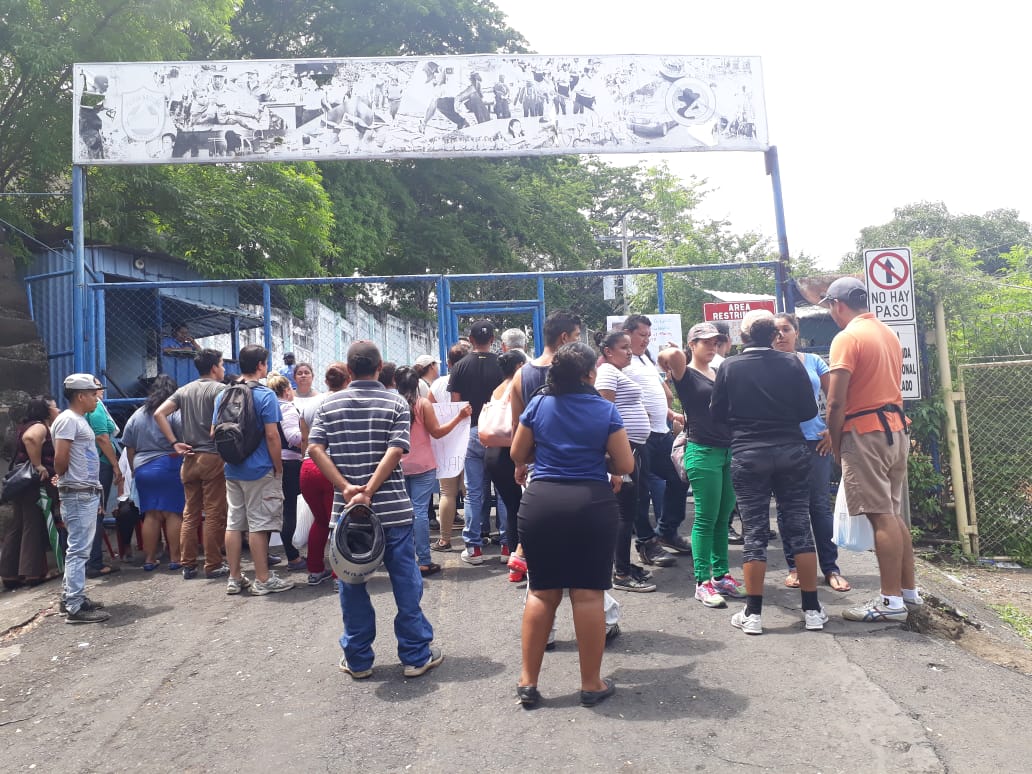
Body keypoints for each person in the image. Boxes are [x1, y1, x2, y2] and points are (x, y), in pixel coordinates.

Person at [308, 340, 442, 680]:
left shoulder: (329, 405)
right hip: (394, 511)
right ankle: (415, 655)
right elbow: (397, 449)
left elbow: (315, 448)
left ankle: (358, 660)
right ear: (380, 367)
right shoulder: (395, 402)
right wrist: (370, 489)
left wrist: (348, 488)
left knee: (351, 586)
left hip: (348, 516)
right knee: (406, 583)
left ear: (349, 370)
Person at [510, 342, 633, 708]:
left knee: (541, 592)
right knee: (588, 593)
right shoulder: (604, 410)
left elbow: (517, 454)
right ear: (587, 374)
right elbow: (625, 465)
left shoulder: (539, 404)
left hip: (542, 502)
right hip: (591, 503)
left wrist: (546, 452)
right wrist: (598, 458)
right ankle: (590, 684)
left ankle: (528, 682)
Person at [710, 311, 824, 635]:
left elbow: (716, 413)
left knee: (755, 533)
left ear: (744, 338)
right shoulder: (791, 363)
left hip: (748, 454)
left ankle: (753, 614)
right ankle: (813, 610)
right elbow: (808, 411)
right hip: (791, 450)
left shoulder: (729, 366)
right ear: (774, 337)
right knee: (800, 526)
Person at [823, 277, 918, 622]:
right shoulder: (887, 333)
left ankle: (890, 602)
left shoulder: (847, 337)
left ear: (837, 304)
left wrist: (834, 441)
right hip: (894, 429)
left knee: (881, 515)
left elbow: (835, 401)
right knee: (892, 513)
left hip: (864, 432)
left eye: (830, 308)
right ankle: (909, 593)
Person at [659, 323, 742, 608]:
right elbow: (669, 356)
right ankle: (702, 581)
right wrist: (671, 351)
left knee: (722, 518)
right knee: (706, 519)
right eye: (704, 341)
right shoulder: (686, 374)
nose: (711, 346)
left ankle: (721, 575)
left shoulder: (719, 372)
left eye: (715, 341)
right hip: (702, 451)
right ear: (691, 344)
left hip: (727, 451)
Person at [774, 313, 850, 592]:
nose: (780, 334)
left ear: (796, 333)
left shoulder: (814, 361)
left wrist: (832, 431)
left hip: (815, 441)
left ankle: (830, 568)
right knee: (787, 507)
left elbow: (836, 398)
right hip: (780, 443)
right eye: (775, 330)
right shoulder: (765, 363)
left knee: (818, 506)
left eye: (786, 329)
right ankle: (794, 566)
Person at [213, 345, 293, 596]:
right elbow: (272, 436)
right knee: (259, 524)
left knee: (234, 524)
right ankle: (263, 579)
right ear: (260, 365)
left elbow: (214, 432)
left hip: (232, 468)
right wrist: (278, 466)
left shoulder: (223, 394)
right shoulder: (266, 395)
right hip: (259, 469)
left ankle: (235, 578)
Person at [154, 348, 230, 580]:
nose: (224, 368)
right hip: (212, 456)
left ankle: (188, 564)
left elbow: (159, 413)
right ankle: (213, 563)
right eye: (222, 364)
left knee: (191, 513)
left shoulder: (183, 391)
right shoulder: (220, 390)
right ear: (215, 367)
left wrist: (175, 442)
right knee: (215, 513)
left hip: (189, 458)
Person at [621, 314, 688, 566]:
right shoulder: (619, 361)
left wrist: (671, 413)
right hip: (639, 437)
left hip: (661, 433)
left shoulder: (643, 359)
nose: (645, 340)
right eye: (641, 335)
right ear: (627, 333)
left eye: (648, 336)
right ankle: (647, 544)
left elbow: (653, 393)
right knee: (639, 493)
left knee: (679, 477)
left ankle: (667, 532)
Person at [594, 330, 657, 592]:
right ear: (608, 351)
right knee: (624, 512)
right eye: (623, 347)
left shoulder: (615, 371)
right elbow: (604, 415)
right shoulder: (607, 372)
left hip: (630, 449)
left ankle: (624, 565)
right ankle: (620, 574)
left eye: (630, 347)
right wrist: (613, 462)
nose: (629, 351)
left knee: (629, 511)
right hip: (622, 452)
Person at [395, 366, 472, 576]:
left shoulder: (393, 405)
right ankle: (424, 559)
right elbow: (437, 433)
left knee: (402, 512)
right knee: (419, 511)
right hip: (423, 465)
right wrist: (458, 418)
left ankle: (404, 559)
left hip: (397, 465)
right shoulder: (422, 405)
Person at [53, 373, 110, 623]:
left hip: (83, 491)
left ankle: (72, 597)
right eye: (93, 393)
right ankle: (74, 605)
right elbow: (60, 460)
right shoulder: (68, 421)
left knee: (79, 549)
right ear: (80, 396)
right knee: (78, 550)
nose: (98, 398)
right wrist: (69, 480)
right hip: (77, 493)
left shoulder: (77, 419)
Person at [447, 320, 504, 566]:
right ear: (493, 339)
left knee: (473, 492)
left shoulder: (459, 366)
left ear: (470, 340)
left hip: (471, 430)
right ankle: (507, 546)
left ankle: (474, 548)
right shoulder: (502, 365)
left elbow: (455, 403)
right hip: (500, 432)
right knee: (503, 490)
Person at [120, 375, 184, 572]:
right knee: (173, 512)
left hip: (143, 469)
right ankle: (175, 558)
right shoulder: (174, 412)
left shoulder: (137, 414)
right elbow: (184, 438)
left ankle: (149, 559)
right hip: (169, 465)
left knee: (151, 514)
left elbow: (129, 447)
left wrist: (134, 470)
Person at [1, 396, 60, 588]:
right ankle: (32, 573)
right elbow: (30, 439)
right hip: (34, 482)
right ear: (45, 411)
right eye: (53, 407)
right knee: (32, 524)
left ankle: (9, 574)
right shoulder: (39, 427)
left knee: (18, 525)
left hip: (21, 482)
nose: (57, 409)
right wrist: (39, 465)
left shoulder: (23, 425)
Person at [301, 362, 350, 586]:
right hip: (331, 468)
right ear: (347, 379)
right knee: (339, 522)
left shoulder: (311, 404)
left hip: (308, 467)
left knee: (320, 521)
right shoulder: (346, 402)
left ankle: (315, 569)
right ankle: (338, 573)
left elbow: (305, 440)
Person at [482, 350, 528, 564]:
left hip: (492, 453)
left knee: (512, 507)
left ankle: (513, 555)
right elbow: (517, 423)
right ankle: (521, 556)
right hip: (510, 451)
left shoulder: (497, 389)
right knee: (522, 507)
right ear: (519, 366)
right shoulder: (517, 387)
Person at [429, 343, 471, 551]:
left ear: (448, 363)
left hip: (446, 441)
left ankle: (445, 539)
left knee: (447, 492)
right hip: (471, 438)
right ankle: (478, 535)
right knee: (472, 490)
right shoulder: (475, 380)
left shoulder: (438, 384)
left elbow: (429, 409)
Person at [266, 374, 308, 572]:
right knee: (289, 509)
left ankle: (263, 553)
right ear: (286, 391)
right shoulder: (288, 407)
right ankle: (293, 556)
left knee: (271, 510)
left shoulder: (267, 406)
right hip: (290, 463)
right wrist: (308, 435)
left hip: (270, 461)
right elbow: (293, 436)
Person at [84, 376, 123, 579]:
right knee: (97, 512)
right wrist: (115, 465)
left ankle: (90, 560)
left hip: (92, 464)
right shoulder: (96, 407)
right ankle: (95, 562)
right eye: (98, 387)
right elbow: (102, 437)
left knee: (92, 513)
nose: (101, 390)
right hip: (101, 464)